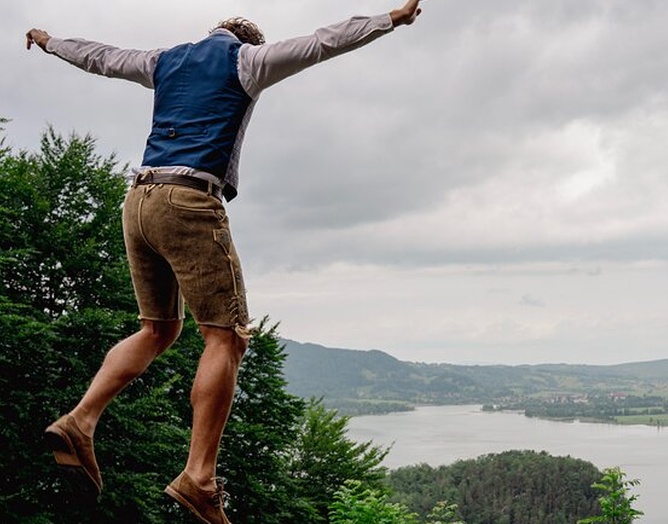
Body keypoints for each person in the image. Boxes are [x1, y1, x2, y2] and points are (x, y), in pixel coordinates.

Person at [25, 1, 422, 522]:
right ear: (248, 42)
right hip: (188, 200)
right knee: (226, 335)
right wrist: (390, 19)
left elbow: (101, 56)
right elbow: (323, 41)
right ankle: (199, 476)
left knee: (157, 329)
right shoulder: (247, 61)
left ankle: (80, 420)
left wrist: (51, 41)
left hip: (138, 201)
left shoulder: (164, 60)